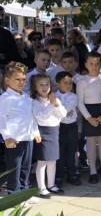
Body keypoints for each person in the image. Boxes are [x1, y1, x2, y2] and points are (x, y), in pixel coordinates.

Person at [0, 62, 41, 194]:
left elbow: (31, 117)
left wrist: (35, 132)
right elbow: (1, 118)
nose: (21, 82)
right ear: (7, 80)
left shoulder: (26, 97)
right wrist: (7, 137)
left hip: (28, 138)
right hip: (14, 140)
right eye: (17, 79)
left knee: (25, 167)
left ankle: (24, 193)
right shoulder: (5, 98)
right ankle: (13, 194)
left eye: (23, 79)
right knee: (14, 169)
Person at [30, 73, 67, 198]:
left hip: (54, 132)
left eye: (47, 84)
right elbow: (41, 117)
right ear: (35, 87)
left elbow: (63, 114)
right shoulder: (35, 102)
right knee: (42, 162)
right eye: (41, 85)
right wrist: (52, 105)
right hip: (43, 133)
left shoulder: (54, 100)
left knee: (52, 161)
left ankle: (51, 185)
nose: (45, 87)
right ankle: (42, 188)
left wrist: (55, 105)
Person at [76, 51, 101, 184]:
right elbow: (80, 102)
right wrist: (89, 118)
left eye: (97, 64)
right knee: (90, 144)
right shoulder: (82, 81)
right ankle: (93, 171)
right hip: (88, 113)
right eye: (91, 64)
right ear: (86, 64)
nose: (94, 67)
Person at [55, 71, 81, 187]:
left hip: (71, 127)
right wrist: (63, 111)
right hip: (59, 127)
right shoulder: (53, 96)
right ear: (58, 84)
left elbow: (64, 110)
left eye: (70, 83)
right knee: (59, 152)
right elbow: (56, 112)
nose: (68, 85)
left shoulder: (73, 96)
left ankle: (72, 174)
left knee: (71, 151)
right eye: (65, 83)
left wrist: (61, 111)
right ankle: (59, 176)